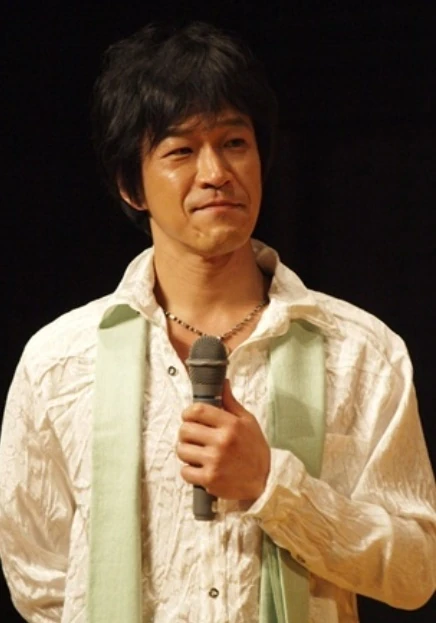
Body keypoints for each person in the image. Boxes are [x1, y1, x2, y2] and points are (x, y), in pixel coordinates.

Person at [0, 21, 435, 623]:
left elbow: (417, 571)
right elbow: (40, 583)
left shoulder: (360, 350)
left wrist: (272, 485)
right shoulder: (60, 362)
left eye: (234, 142)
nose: (215, 173)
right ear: (131, 186)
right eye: (181, 151)